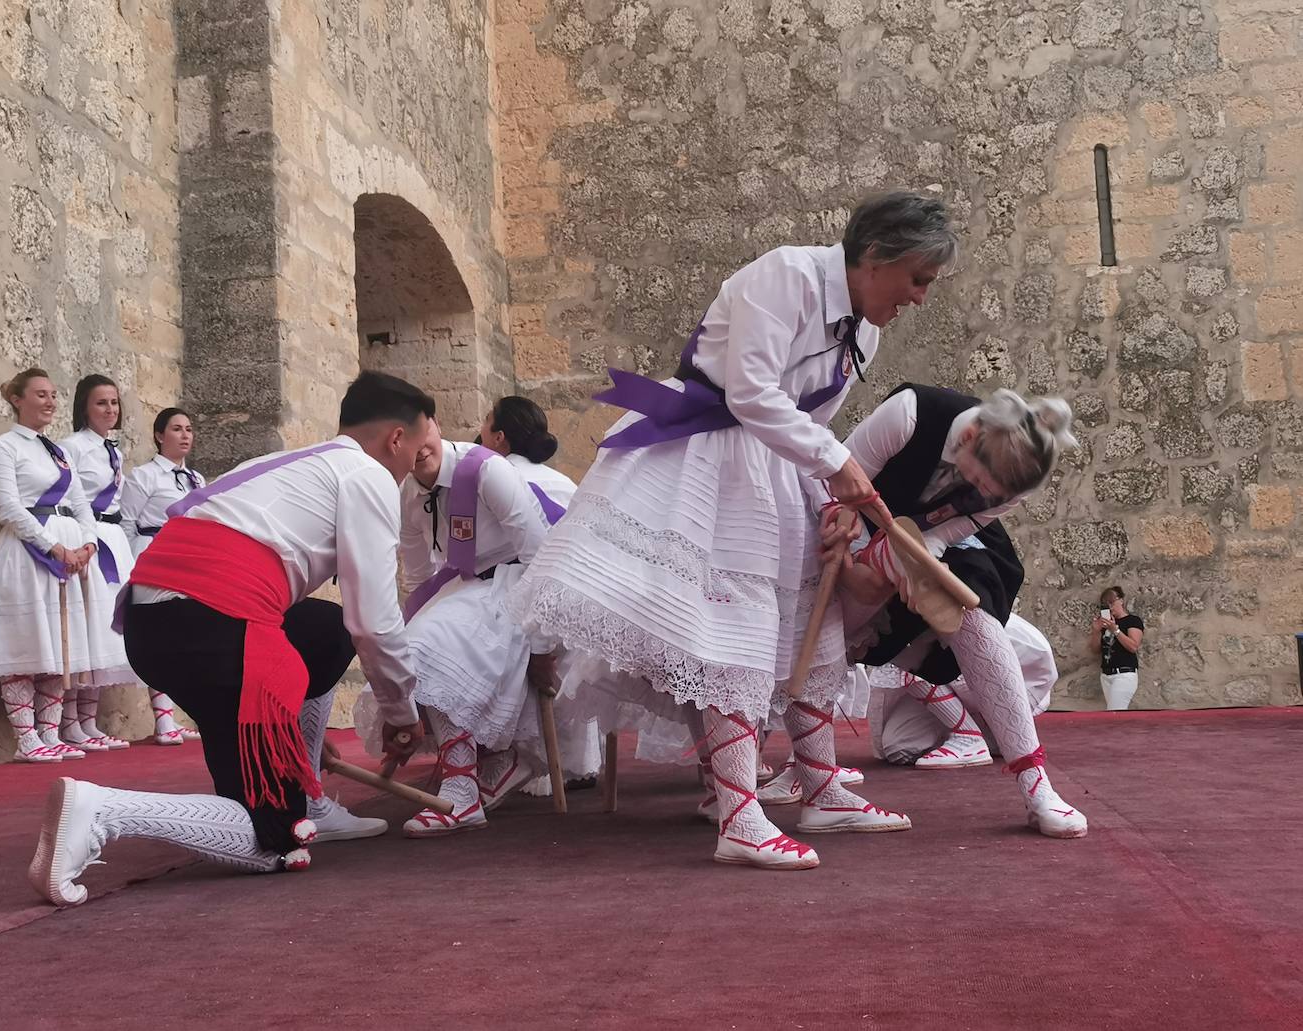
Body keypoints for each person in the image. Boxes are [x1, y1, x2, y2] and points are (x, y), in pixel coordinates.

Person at [508, 191, 957, 870]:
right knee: (735, 631)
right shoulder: (786, 276)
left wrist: (830, 491)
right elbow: (751, 393)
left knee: (817, 620)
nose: (920, 297)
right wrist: (837, 465)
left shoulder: (865, 329)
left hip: (776, 469)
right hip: (709, 458)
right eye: (917, 278)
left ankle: (821, 785)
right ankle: (740, 814)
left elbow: (814, 417)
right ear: (876, 257)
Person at [28, 372, 432, 907]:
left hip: (156, 626)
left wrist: (288, 725)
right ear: (396, 439)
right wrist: (401, 713)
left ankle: (302, 788)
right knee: (276, 846)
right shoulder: (369, 475)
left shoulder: (285, 464)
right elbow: (375, 619)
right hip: (210, 626)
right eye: (420, 449)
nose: (414, 467)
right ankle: (103, 812)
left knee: (323, 632)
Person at [831, 384, 1088, 838]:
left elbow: (957, 527)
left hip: (938, 540)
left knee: (975, 618)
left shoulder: (1016, 480)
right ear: (969, 437)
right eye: (978, 482)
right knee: (838, 627)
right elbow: (839, 483)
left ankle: (1036, 784)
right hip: (854, 526)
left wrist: (916, 559)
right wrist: (853, 555)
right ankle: (807, 766)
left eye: (993, 492)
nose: (981, 493)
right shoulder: (910, 415)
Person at [353, 419, 559, 836]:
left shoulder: (485, 469)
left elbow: (540, 553)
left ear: (434, 424)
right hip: (463, 591)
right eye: (404, 437)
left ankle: (462, 792)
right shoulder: (408, 494)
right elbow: (416, 577)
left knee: (431, 646)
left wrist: (542, 643)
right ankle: (489, 768)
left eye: (421, 430)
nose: (419, 445)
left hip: (516, 586)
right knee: (411, 651)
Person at [0, 369, 126, 762]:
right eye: (40, 394)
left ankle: (50, 731)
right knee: (29, 639)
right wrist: (53, 546)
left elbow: (80, 502)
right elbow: (7, 506)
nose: (49, 402)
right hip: (29, 549)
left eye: (54, 395)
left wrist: (89, 542)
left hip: (70, 549)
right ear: (17, 399)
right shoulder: (5, 446)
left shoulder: (55, 451)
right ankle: (27, 738)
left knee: (62, 642)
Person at [479, 395, 600, 795]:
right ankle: (581, 763)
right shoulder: (564, 482)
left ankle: (519, 762)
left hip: (521, 591)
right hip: (580, 595)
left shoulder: (489, 477)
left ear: (498, 438)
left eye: (485, 423)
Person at [56, 374, 137, 752]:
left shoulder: (112, 450)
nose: (110, 410)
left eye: (114, 403)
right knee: (86, 625)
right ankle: (69, 722)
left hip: (113, 539)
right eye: (101, 403)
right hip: (89, 539)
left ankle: (88, 722)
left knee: (105, 630)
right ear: (84, 407)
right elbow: (68, 497)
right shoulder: (72, 446)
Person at [865, 612, 1057, 768]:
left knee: (908, 657)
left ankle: (969, 735)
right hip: (943, 672)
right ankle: (988, 733)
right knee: (899, 749)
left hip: (983, 661)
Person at [119, 407, 206, 745]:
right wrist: (130, 566)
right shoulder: (145, 477)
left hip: (188, 559)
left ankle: (178, 712)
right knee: (161, 633)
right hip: (153, 553)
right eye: (176, 429)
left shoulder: (196, 479)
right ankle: (163, 718)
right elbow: (127, 522)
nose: (185, 435)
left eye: (189, 429)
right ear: (159, 435)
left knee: (186, 636)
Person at [1090, 586, 1143, 710]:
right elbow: (1095, 650)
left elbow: (1133, 646)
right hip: (1106, 675)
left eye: (1112, 602)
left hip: (1124, 674)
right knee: (1116, 714)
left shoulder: (1132, 621)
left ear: (1121, 600)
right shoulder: (1105, 624)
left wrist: (1115, 630)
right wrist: (1096, 631)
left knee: (1114, 713)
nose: (1110, 606)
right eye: (1106, 604)